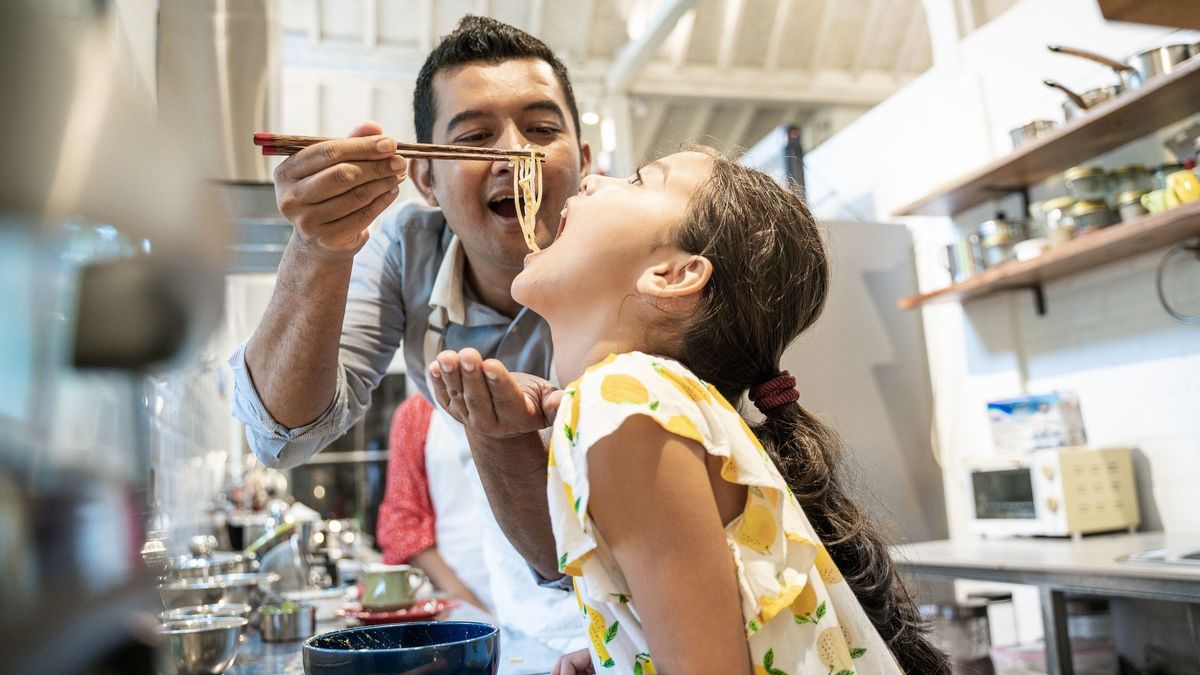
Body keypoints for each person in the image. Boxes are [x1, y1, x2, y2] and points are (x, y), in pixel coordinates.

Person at [430, 149, 951, 674]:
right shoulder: (642, 400)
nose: (591, 183)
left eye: (637, 181)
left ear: (673, 274)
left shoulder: (627, 400)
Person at [228, 15, 589, 649]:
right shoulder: (405, 251)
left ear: (584, 162)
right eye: (475, 136)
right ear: (425, 178)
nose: (514, 153)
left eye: (541, 129)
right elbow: (282, 436)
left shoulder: (634, 254)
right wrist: (319, 245)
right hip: (521, 572)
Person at [376, 395, 488, 611]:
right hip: (460, 593)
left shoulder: (540, 386)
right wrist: (467, 604)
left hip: (548, 602)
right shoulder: (417, 412)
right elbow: (403, 526)